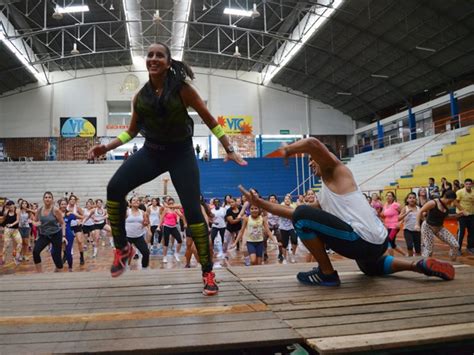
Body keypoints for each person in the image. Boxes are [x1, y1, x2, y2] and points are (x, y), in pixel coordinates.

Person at [87, 42, 246, 296]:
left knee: (193, 211)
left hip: (181, 154)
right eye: (150, 55)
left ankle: (207, 272)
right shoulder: (140, 97)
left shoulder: (183, 90)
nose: (153, 58)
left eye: (159, 55)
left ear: (168, 62)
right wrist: (105, 148)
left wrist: (229, 148)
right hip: (152, 152)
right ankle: (123, 248)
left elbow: (209, 119)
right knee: (114, 187)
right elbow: (131, 132)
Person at [239, 137, 456, 287]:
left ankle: (327, 274)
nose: (310, 164)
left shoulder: (336, 170)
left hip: (361, 240)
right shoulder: (327, 192)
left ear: (323, 157)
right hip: (375, 244)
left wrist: (288, 150)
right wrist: (260, 202)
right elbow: (290, 213)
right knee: (370, 268)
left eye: (311, 160)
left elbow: (313, 144)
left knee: (302, 216)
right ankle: (418, 265)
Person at [416, 190, 463, 261]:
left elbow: (445, 216)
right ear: (445, 197)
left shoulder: (446, 206)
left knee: (455, 245)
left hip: (439, 228)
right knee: (429, 249)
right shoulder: (433, 203)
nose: (451, 203)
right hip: (428, 227)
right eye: (450, 201)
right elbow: (420, 211)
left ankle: (453, 262)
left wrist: (456, 215)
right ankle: (424, 265)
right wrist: (417, 224)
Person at [32, 192, 66, 272]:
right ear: (43, 199)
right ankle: (39, 273)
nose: (47, 199)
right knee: (35, 252)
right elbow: (34, 221)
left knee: (56, 256)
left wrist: (63, 236)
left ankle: (60, 273)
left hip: (56, 234)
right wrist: (35, 223)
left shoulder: (55, 210)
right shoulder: (39, 210)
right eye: (46, 197)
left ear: (52, 199)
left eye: (49, 197)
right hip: (44, 235)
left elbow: (62, 223)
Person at [125, 196, 150, 269]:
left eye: (138, 200)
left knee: (146, 253)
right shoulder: (126, 212)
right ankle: (126, 268)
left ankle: (144, 268)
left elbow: (146, 223)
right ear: (130, 203)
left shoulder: (142, 212)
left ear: (139, 203)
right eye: (134, 200)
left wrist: (145, 223)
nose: (136, 201)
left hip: (138, 237)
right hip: (127, 237)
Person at [381, 191, 405, 256]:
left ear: (393, 197)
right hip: (387, 226)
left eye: (390, 196)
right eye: (387, 195)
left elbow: (404, 212)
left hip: (395, 226)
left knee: (388, 241)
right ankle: (405, 254)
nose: (388, 197)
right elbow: (383, 214)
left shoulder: (396, 205)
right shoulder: (385, 205)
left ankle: (392, 259)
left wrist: (401, 222)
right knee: (392, 244)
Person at [398, 192, 421, 257]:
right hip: (407, 230)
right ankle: (410, 259)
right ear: (407, 200)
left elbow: (422, 218)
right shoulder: (405, 208)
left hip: (417, 231)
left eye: (413, 198)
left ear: (416, 200)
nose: (412, 199)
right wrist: (407, 213)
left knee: (418, 249)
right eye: (410, 198)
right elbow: (398, 218)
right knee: (409, 246)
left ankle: (418, 262)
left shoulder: (418, 208)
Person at [456, 178, 474, 255]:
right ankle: (457, 248)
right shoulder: (460, 192)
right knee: (461, 232)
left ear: (472, 184)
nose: (468, 185)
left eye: (470, 184)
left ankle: (470, 247)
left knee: (472, 232)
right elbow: (455, 203)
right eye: (467, 184)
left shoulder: (473, 192)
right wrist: (463, 211)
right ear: (464, 184)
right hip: (461, 215)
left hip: (472, 215)